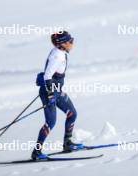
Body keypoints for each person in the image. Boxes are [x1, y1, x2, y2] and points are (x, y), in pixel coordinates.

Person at [32, 31, 83, 160]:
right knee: (50, 122)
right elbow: (47, 76)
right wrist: (50, 95)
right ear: (62, 44)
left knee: (72, 113)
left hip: (56, 91)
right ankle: (36, 152)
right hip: (49, 92)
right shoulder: (57, 56)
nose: (72, 43)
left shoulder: (60, 52)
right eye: (70, 41)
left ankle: (67, 143)